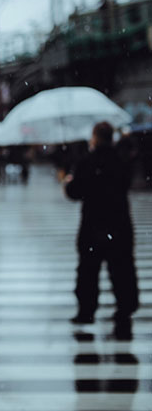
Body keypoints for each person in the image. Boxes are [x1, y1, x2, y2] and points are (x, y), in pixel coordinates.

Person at [65, 122, 139, 340]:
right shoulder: (120, 161)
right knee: (122, 269)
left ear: (96, 137)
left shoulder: (86, 162)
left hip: (93, 225)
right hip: (119, 225)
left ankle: (86, 311)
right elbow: (126, 183)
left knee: (88, 271)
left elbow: (75, 192)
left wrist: (68, 182)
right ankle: (124, 309)